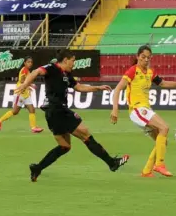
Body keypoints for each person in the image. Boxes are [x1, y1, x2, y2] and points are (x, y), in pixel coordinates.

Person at [15, 49, 129, 182]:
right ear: (65, 60)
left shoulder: (67, 74)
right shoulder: (52, 68)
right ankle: (112, 163)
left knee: (65, 146)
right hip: (57, 110)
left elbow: (79, 87)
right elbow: (36, 72)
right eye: (73, 60)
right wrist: (24, 84)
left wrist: (97, 88)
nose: (74, 63)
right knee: (85, 134)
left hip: (53, 114)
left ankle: (37, 168)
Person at [110, 45, 176, 178]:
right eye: (143, 57)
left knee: (162, 142)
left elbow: (163, 83)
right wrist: (115, 109)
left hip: (145, 110)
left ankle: (146, 171)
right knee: (165, 128)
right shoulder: (133, 71)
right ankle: (159, 164)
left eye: (148, 58)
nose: (146, 60)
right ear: (137, 57)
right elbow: (117, 89)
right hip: (138, 110)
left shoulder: (150, 72)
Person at [0, 56, 43, 133]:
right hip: (20, 93)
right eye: (28, 62)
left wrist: (29, 86)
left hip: (25, 93)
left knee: (32, 109)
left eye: (31, 62)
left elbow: (25, 80)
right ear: (24, 63)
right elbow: (22, 80)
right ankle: (0, 120)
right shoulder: (24, 70)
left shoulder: (27, 70)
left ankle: (34, 127)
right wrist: (30, 85)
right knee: (15, 111)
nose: (30, 63)